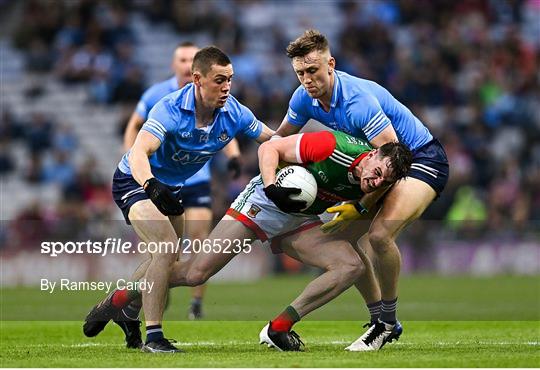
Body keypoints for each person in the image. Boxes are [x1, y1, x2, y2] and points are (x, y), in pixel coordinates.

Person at [90, 129, 411, 352]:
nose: (377, 180)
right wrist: (271, 185)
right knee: (194, 274)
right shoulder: (332, 146)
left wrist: (378, 313)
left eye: (386, 179)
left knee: (350, 264)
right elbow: (269, 147)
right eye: (379, 170)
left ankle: (279, 328)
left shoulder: (378, 184)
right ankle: (119, 300)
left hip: (299, 219)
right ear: (373, 154)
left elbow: (369, 212)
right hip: (262, 203)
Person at [83, 46, 274, 353]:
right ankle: (154, 337)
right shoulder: (169, 108)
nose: (227, 87)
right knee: (166, 248)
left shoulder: (235, 111)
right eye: (219, 80)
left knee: (163, 259)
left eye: (230, 79)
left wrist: (309, 148)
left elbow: (271, 138)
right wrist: (150, 184)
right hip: (136, 181)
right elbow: (138, 153)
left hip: (172, 187)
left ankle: (122, 306)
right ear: (197, 79)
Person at [273, 30, 449, 351]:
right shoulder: (303, 97)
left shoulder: (357, 101)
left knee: (380, 236)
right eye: (300, 73)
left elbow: (394, 161)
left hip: (419, 159)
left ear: (331, 64)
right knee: (344, 241)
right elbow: (277, 140)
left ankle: (386, 323)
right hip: (378, 169)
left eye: (313, 71)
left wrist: (363, 206)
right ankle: (377, 317)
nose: (307, 79)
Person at [123, 41, 243, 321]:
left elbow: (227, 127)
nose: (187, 64)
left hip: (197, 180)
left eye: (191, 58)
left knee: (199, 238)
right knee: (164, 250)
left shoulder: (215, 98)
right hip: (159, 180)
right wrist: (136, 165)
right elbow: (135, 128)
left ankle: (196, 305)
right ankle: (149, 294)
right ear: (176, 65)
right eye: (182, 60)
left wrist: (234, 155)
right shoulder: (158, 96)